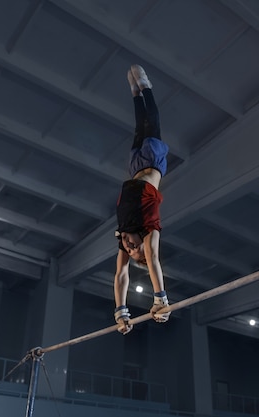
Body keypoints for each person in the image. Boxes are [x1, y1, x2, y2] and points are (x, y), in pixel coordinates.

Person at [113, 64, 170, 335]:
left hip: (134, 166)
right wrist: (160, 298)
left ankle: (135, 93)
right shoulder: (148, 232)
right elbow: (154, 257)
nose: (130, 248)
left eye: (131, 251)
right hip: (153, 164)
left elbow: (121, 276)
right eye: (136, 250)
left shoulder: (123, 239)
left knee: (138, 126)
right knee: (152, 123)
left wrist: (121, 311)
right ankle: (147, 88)